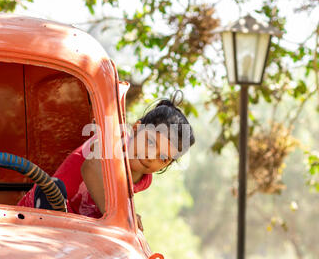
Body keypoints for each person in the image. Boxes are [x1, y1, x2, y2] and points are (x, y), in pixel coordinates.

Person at [17, 91, 195, 231]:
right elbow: (90, 167)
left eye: (163, 158)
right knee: (53, 188)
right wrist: (121, 217)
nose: (150, 156)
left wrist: (130, 216)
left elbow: (119, 204)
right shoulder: (112, 139)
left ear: (168, 164)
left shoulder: (144, 179)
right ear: (136, 129)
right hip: (43, 210)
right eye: (149, 142)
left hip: (77, 229)